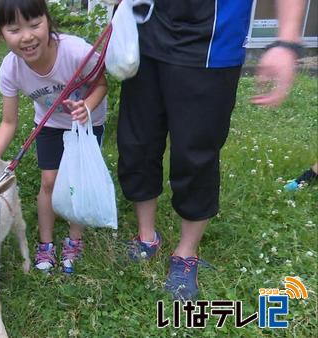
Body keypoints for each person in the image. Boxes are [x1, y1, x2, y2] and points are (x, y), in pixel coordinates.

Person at [116, 0, 305, 300]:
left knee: (195, 155)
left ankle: (186, 252)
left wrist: (287, 41)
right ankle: (146, 236)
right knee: (136, 143)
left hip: (213, 44)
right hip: (147, 34)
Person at [0, 0, 108, 275]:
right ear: (0, 33)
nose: (27, 36)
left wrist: (86, 107)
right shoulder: (11, 68)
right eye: (14, 29)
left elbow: (101, 84)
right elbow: (9, 122)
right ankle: (46, 243)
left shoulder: (77, 51)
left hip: (87, 122)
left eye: (35, 25)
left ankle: (74, 239)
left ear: (48, 21)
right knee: (49, 182)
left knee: (76, 182)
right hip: (50, 123)